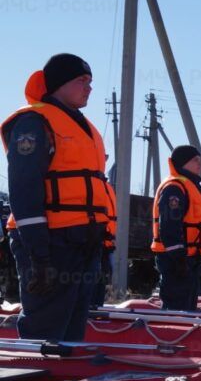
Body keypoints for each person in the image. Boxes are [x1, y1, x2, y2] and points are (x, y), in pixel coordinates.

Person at [2, 53, 111, 340]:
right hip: (50, 241)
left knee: (73, 328)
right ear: (59, 84)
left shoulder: (85, 127)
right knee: (46, 325)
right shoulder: (34, 123)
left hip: (83, 240)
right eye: (81, 80)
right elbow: (24, 188)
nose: (89, 87)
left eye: (90, 81)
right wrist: (39, 255)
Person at [151, 145, 201, 310]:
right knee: (176, 307)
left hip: (188, 259)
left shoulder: (189, 185)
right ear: (183, 162)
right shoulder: (174, 188)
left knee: (187, 306)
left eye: (200, 160)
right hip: (175, 259)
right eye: (195, 160)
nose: (200, 164)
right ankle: (168, 334)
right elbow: (169, 225)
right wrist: (178, 257)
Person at [92, 180, 117, 307]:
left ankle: (96, 313)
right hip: (92, 244)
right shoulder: (96, 184)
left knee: (99, 284)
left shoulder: (106, 187)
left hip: (105, 245)